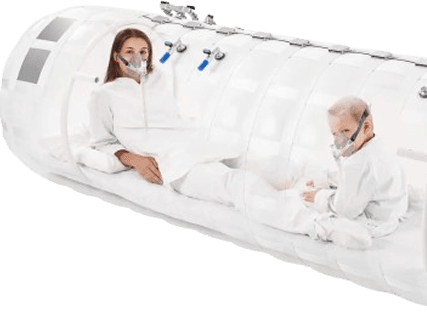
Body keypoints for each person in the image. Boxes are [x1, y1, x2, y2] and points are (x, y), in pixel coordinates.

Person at [78, 28, 372, 248]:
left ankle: (340, 187)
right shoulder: (103, 95)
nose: (138, 58)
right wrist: (133, 158)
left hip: (197, 142)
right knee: (238, 184)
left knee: (272, 166)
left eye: (143, 51)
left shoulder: (160, 79)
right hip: (173, 163)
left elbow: (175, 118)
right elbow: (100, 143)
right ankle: (320, 225)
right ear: (116, 55)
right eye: (130, 51)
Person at [301, 96, 409, 238]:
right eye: (335, 133)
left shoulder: (358, 162)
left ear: (366, 127)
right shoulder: (382, 146)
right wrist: (326, 180)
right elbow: (361, 180)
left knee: (315, 222)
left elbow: (345, 210)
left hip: (374, 223)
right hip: (393, 211)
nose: (339, 140)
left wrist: (319, 196)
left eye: (345, 131)